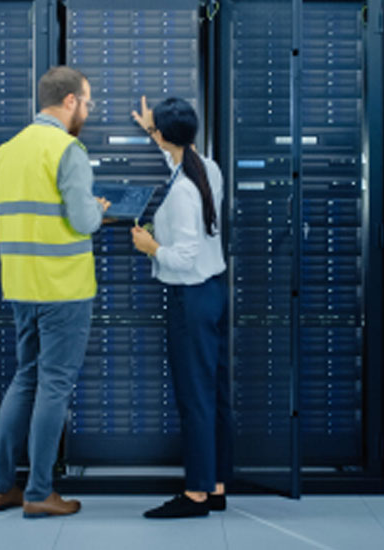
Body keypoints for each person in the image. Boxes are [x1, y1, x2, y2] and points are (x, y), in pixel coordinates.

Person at [0, 66, 110, 519]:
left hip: (21, 284)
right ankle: (39, 492)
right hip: (63, 287)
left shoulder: (7, 151)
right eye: (88, 102)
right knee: (54, 385)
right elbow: (81, 221)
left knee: (26, 379)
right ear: (71, 100)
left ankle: (0, 487)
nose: (89, 111)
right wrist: (97, 211)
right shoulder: (67, 149)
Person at [130, 96, 232, 518]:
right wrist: (153, 130)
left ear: (167, 136)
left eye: (156, 131)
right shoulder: (205, 167)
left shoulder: (186, 189)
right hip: (213, 293)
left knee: (194, 399)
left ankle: (195, 496)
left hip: (191, 298)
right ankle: (216, 485)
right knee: (214, 394)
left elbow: (185, 258)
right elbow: (177, 157)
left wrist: (152, 247)